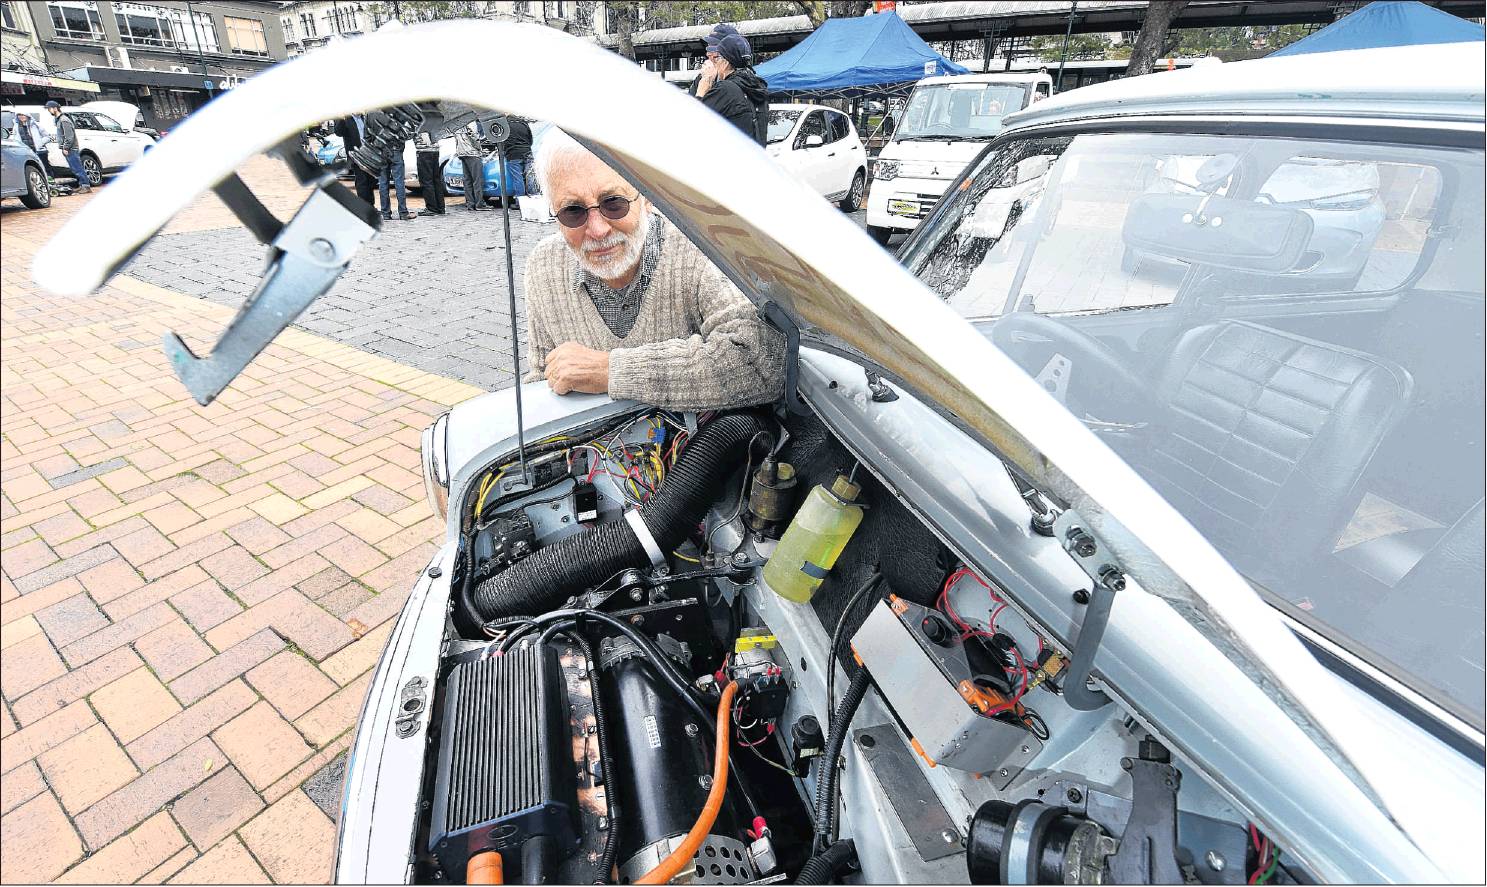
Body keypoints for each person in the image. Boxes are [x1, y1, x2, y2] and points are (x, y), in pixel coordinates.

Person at [522, 129, 783, 412]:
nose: (597, 230)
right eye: (573, 211)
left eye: (614, 203)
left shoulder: (699, 251)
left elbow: (759, 359)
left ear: (647, 197)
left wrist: (611, 371)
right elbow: (542, 380)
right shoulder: (543, 267)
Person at [690, 25, 769, 146]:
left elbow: (693, 124)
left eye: (717, 55)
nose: (710, 56)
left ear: (726, 60)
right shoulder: (755, 85)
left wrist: (701, 91)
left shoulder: (725, 88)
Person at [45, 101, 90, 193]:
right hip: (69, 148)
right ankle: (82, 185)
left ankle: (85, 185)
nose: (49, 111)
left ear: (55, 108)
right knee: (75, 168)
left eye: (49, 108)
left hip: (71, 149)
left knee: (77, 168)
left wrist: (65, 147)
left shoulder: (63, 120)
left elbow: (69, 136)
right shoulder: (59, 119)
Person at [335, 114, 377, 206]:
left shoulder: (363, 118)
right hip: (356, 155)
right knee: (362, 182)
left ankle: (371, 205)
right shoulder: (346, 120)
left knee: (370, 181)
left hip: (368, 154)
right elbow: (338, 132)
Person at [377, 137, 416, 221]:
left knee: (383, 183)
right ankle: (403, 212)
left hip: (380, 151)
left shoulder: (370, 122)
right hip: (395, 150)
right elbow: (404, 134)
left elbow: (368, 137)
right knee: (399, 183)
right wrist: (400, 148)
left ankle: (385, 213)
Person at [454, 121, 488, 211]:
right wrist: (480, 149)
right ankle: (479, 204)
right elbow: (473, 137)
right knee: (477, 180)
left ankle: (470, 204)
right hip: (472, 153)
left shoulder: (456, 123)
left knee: (467, 180)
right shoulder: (470, 122)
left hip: (462, 153)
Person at [414, 131, 446, 215]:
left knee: (426, 181)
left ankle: (431, 208)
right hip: (435, 149)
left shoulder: (420, 119)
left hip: (424, 150)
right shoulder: (433, 119)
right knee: (436, 180)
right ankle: (441, 207)